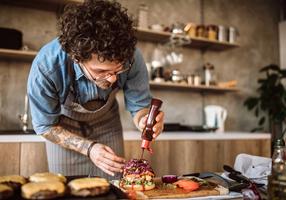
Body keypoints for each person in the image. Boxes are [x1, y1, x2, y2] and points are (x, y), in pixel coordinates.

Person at [27, 0, 164, 180]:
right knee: (68, 188)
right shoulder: (47, 66)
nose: (113, 78)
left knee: (114, 187)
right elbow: (45, 126)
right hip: (63, 129)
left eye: (118, 69)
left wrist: (144, 121)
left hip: (107, 125)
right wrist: (89, 148)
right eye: (101, 72)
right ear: (76, 57)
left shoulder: (131, 57)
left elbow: (140, 106)